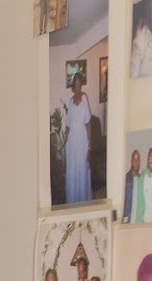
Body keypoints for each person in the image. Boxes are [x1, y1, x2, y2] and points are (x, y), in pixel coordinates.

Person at [63, 72, 93, 204]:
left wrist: (89, 145)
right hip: (72, 142)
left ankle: (82, 199)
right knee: (73, 168)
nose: (78, 86)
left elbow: (88, 124)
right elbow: (68, 124)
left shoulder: (85, 98)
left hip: (81, 141)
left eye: (80, 83)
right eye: (76, 83)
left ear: (81, 85)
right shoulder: (70, 101)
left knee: (81, 167)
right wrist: (64, 139)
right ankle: (73, 199)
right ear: (73, 86)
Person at [123, 149, 142, 223]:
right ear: (131, 161)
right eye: (134, 159)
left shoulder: (141, 178)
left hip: (139, 219)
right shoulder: (126, 179)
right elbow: (125, 203)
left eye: (138, 160)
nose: (136, 162)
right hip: (129, 219)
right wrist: (125, 220)